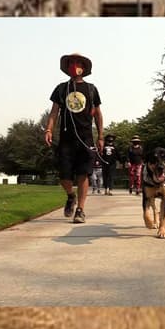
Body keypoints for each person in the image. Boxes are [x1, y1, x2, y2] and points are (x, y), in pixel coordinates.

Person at [44, 52, 103, 224]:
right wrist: (48, 129)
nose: (74, 65)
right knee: (64, 176)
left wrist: (100, 136)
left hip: (85, 138)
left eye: (78, 62)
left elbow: (98, 115)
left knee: (83, 174)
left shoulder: (91, 89)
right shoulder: (61, 89)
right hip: (66, 139)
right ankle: (71, 195)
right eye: (71, 62)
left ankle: (80, 210)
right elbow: (54, 112)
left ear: (83, 68)